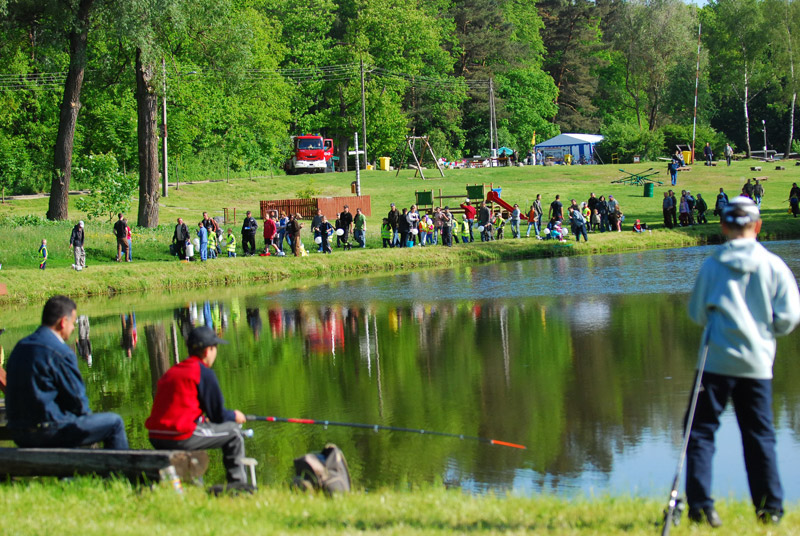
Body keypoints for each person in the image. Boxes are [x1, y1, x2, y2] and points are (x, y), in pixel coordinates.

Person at [685, 196, 800, 527]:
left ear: (723, 227)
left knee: (700, 432)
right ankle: (770, 509)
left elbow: (696, 314)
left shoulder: (712, 264)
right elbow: (789, 316)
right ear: (758, 225)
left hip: (715, 362)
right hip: (757, 363)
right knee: (760, 436)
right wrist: (766, 332)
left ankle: (701, 506)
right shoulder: (774, 265)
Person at [5, 296, 129, 449]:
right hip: (47, 433)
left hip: (19, 433)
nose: (73, 327)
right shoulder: (60, 352)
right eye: (73, 322)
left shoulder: (20, 346)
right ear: (63, 322)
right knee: (114, 423)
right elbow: (78, 403)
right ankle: (119, 472)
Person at [146, 326, 249, 487]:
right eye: (215, 348)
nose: (216, 352)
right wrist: (234, 415)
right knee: (234, 433)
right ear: (208, 350)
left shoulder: (173, 371)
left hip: (156, 436)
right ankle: (238, 486)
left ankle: (196, 484)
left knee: (201, 431)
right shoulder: (203, 372)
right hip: (178, 436)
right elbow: (218, 416)